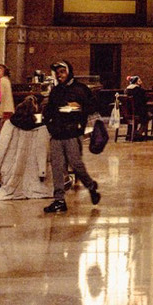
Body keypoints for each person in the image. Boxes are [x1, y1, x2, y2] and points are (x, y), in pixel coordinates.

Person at [42, 60, 100, 213]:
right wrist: (48, 123)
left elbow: (93, 106)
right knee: (56, 166)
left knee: (76, 164)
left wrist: (79, 108)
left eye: (62, 72)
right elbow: (49, 109)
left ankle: (91, 185)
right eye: (57, 73)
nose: (59, 75)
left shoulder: (81, 89)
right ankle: (59, 200)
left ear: (69, 72)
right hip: (57, 133)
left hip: (73, 132)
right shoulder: (55, 91)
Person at [0, 96, 49, 200]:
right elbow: (42, 149)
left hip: (12, 166)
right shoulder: (41, 126)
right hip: (33, 170)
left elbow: (2, 146)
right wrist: (42, 171)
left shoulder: (9, 123)